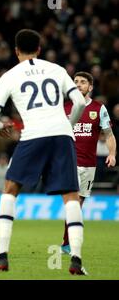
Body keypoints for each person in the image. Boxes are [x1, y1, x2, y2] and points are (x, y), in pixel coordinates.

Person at [0, 29, 87, 275]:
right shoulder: (57, 69)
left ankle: (1, 256)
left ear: (16, 50)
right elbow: (80, 102)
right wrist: (67, 126)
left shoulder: (9, 76)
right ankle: (76, 260)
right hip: (62, 135)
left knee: (10, 190)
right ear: (39, 49)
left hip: (33, 135)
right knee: (71, 197)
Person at [61, 72, 117, 254]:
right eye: (75, 81)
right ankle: (67, 244)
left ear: (90, 87)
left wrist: (112, 153)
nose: (78, 84)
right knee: (72, 203)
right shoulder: (65, 107)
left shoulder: (98, 108)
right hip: (69, 162)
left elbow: (108, 134)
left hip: (88, 165)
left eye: (83, 82)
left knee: (77, 204)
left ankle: (67, 243)